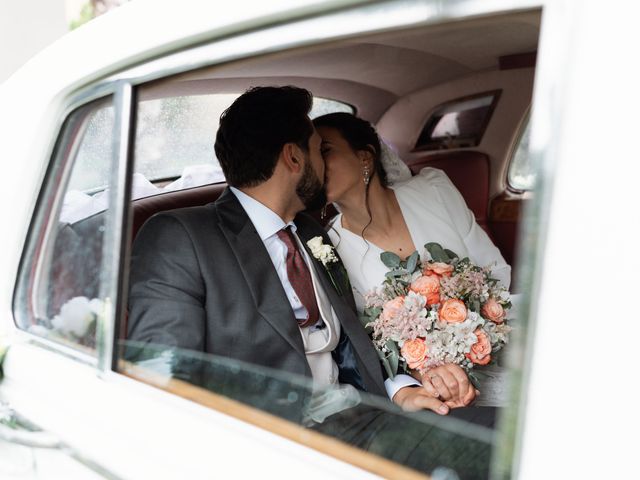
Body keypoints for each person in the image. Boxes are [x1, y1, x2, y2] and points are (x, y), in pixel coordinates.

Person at [128, 87, 492, 477]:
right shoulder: (181, 236)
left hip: (366, 423)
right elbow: (160, 380)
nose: (325, 164)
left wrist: (399, 391)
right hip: (282, 450)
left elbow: (351, 343)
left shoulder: (311, 232)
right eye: (320, 150)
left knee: (521, 439)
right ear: (294, 157)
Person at [313, 112, 511, 395]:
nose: (316, 163)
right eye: (312, 154)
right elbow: (365, 344)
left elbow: (496, 272)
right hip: (427, 388)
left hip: (495, 348)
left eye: (326, 150)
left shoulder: (434, 190)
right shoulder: (327, 248)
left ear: (365, 157)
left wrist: (474, 337)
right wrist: (428, 372)